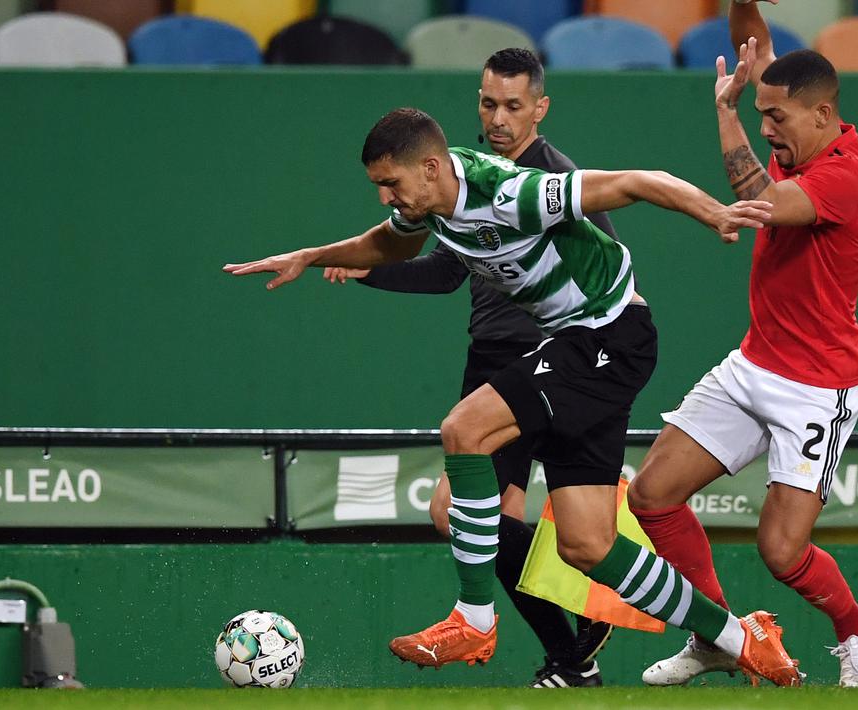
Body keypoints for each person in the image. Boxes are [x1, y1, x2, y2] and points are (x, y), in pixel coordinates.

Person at [223, 105, 803, 687]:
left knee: (464, 430)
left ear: (429, 167)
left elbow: (637, 182)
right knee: (589, 546)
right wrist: (313, 255)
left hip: (607, 338)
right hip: (589, 346)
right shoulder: (432, 199)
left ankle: (474, 619)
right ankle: (735, 637)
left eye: (389, 184)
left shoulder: (508, 192)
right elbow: (392, 245)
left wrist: (715, 213)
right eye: (378, 185)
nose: (384, 197)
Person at [322, 48, 621, 688]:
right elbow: (443, 275)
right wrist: (367, 269)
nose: (499, 118)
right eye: (488, 103)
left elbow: (605, 282)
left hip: (541, 360)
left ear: (540, 108)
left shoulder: (557, 181)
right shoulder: (458, 180)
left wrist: (583, 365)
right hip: (489, 360)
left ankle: (577, 610)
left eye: (514, 106)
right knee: (493, 522)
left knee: (455, 511)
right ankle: (574, 659)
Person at [629, 0, 858, 688]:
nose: (767, 128)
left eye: (777, 118)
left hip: (816, 387)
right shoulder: (799, 116)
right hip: (753, 366)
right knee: (651, 496)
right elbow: (755, 44)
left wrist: (725, 112)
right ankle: (715, 635)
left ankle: (855, 631)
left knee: (780, 550)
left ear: (822, 116)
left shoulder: (843, 174)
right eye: (761, 115)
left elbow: (760, 201)